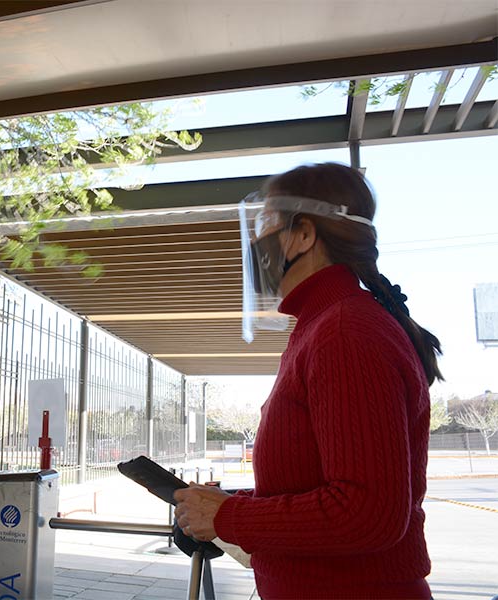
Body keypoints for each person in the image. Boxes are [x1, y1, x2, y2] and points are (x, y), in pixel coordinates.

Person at [174, 163, 441, 599]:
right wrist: (225, 506)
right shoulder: (323, 325)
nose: (254, 243)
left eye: (265, 225)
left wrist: (230, 518)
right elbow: (313, 487)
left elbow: (367, 512)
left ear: (303, 235)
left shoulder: (345, 331)